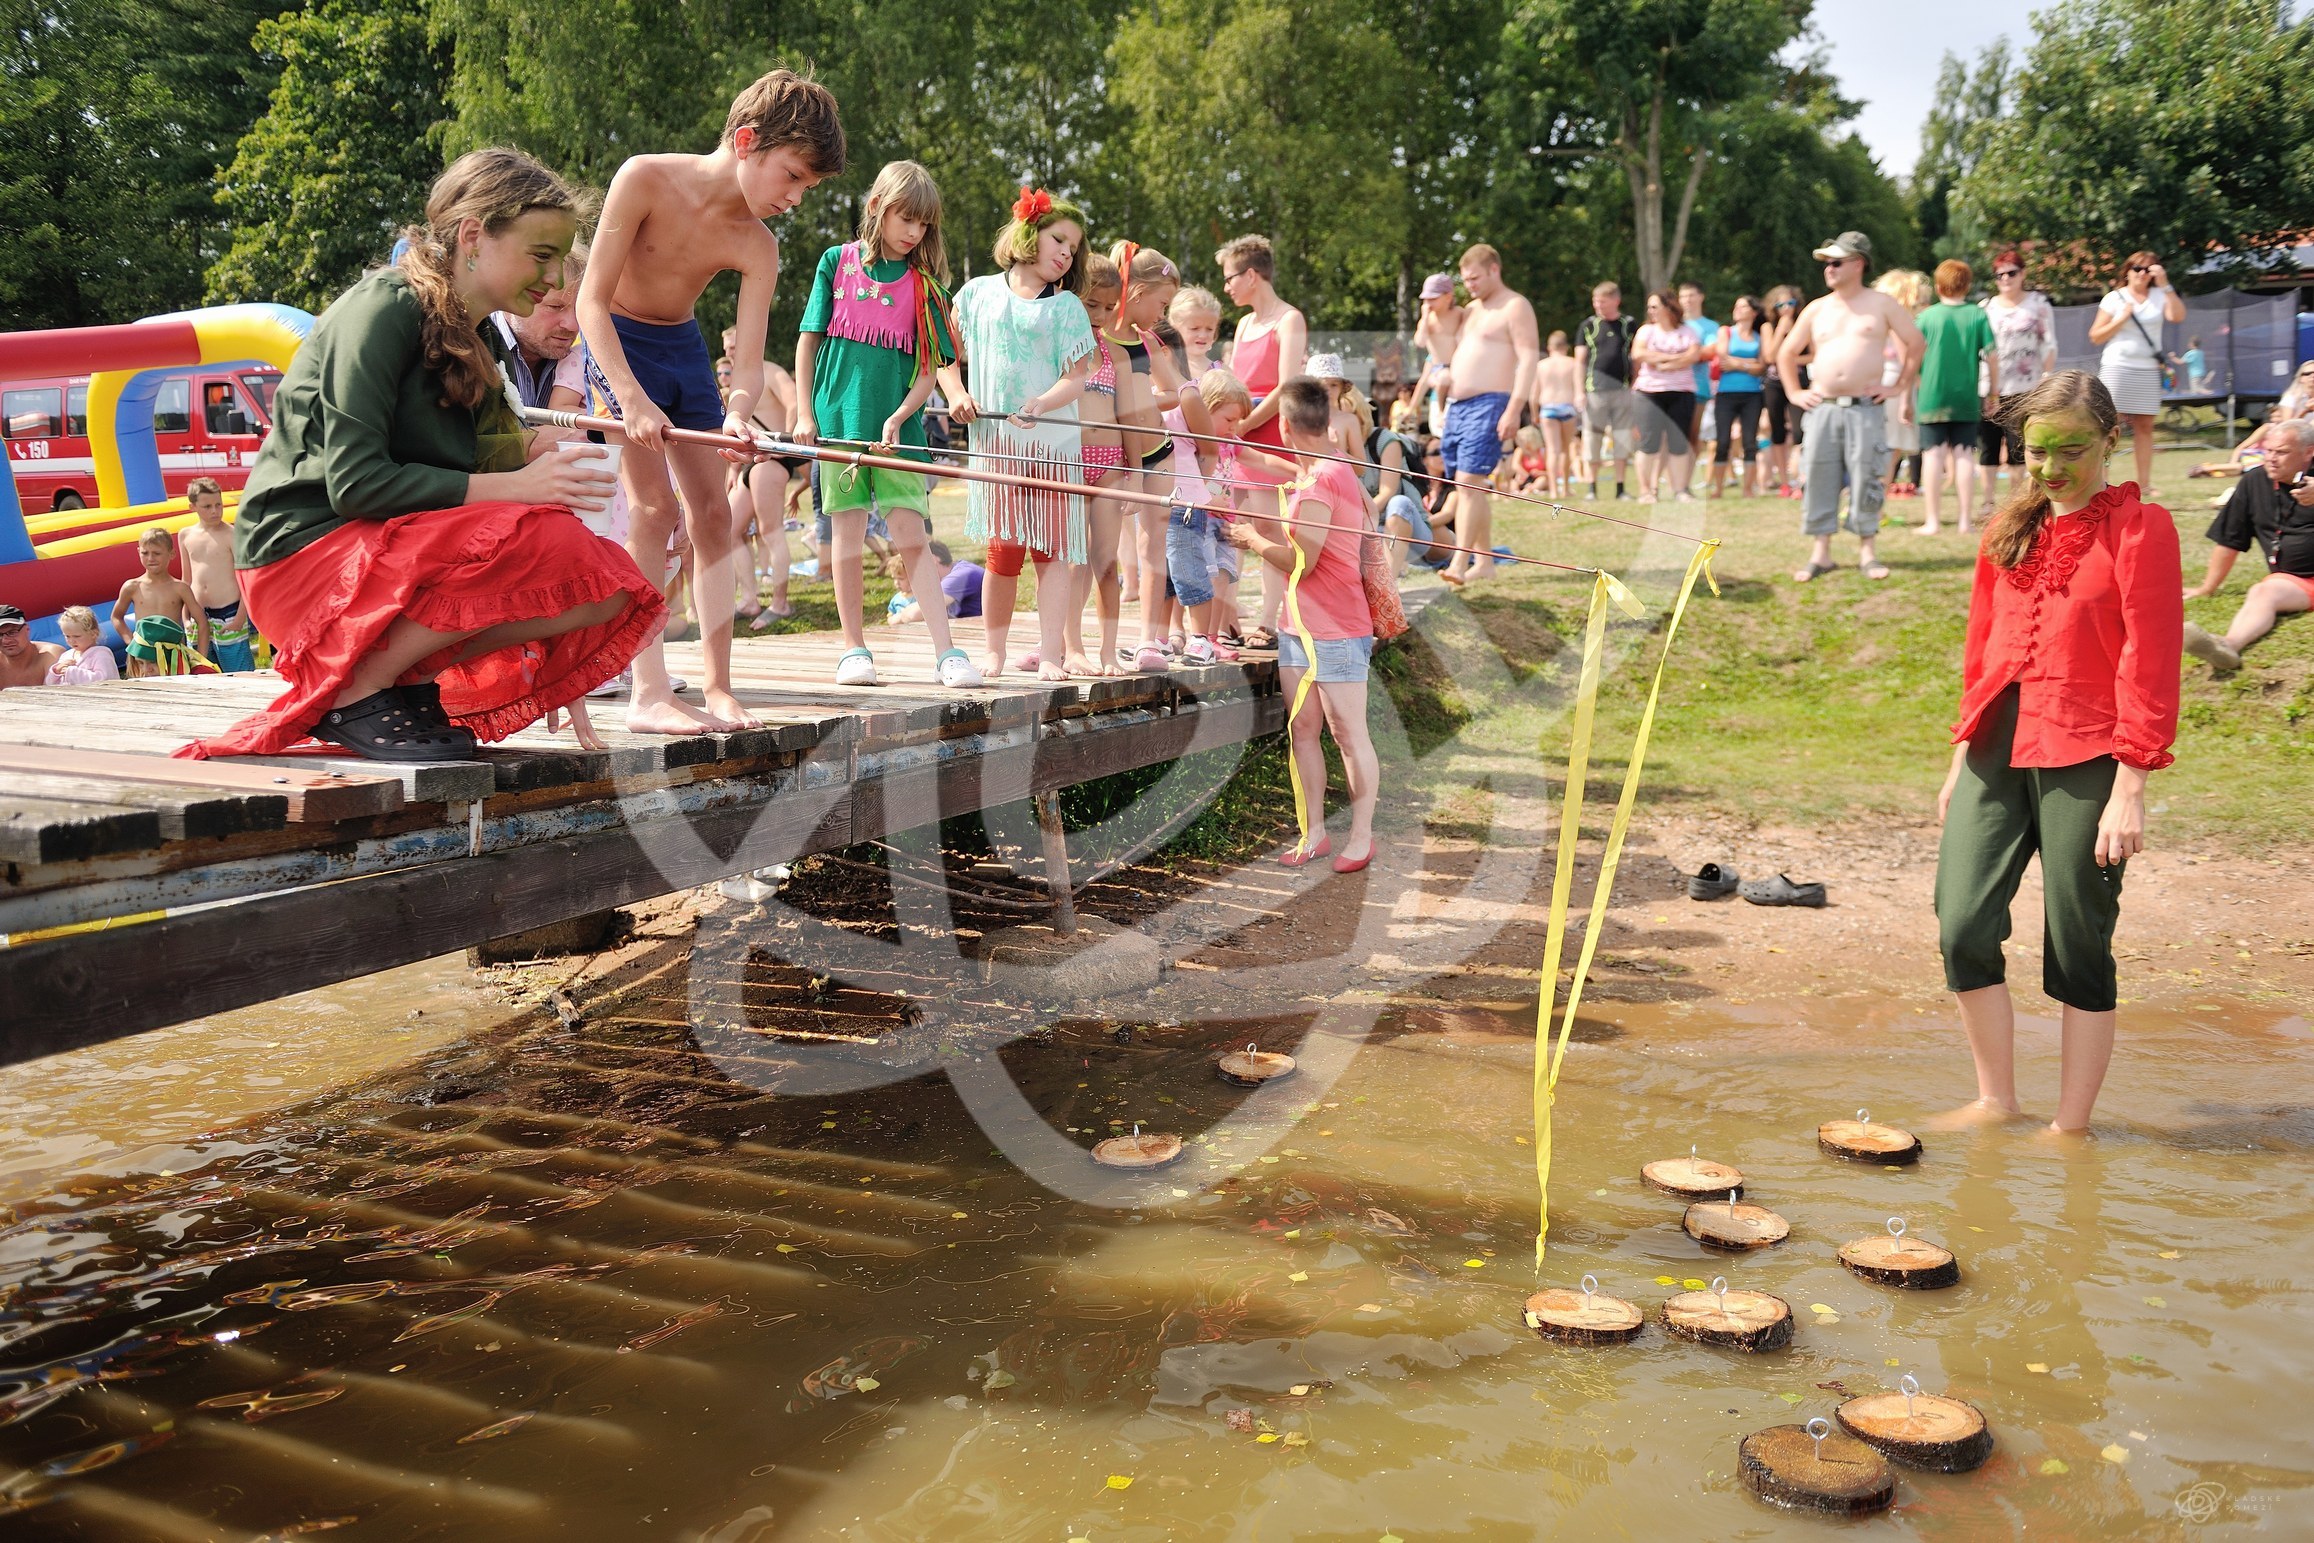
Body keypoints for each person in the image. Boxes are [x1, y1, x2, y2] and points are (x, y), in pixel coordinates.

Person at [181, 149, 662, 763]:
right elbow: (356, 485)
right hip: (301, 556)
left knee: (605, 583)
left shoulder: (479, 331)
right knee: (543, 538)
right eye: (540, 256)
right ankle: (356, 688)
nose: (553, 279)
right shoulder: (385, 307)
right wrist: (520, 487)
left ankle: (401, 677)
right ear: (472, 237)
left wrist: (554, 454)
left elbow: (483, 458)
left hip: (387, 541)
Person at [1933, 370, 2180, 1136]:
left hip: (2093, 748)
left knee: (2078, 934)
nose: (2049, 467)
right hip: (1996, 744)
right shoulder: (2009, 528)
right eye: (2035, 450)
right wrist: (1958, 758)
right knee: (1961, 921)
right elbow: (1983, 646)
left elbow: (2152, 655)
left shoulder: (2143, 529)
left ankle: (2069, 1130)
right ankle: (1995, 1099)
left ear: (2110, 439)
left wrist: (2132, 782)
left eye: (2070, 449)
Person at [579, 68, 845, 734]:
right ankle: (648, 691)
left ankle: (719, 685)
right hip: (619, 346)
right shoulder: (643, 177)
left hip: (682, 352)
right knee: (653, 508)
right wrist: (631, 398)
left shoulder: (759, 245)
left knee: (712, 518)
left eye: (808, 188)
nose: (796, 198)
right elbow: (589, 301)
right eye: (793, 176)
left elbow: (748, 366)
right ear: (748, 140)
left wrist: (736, 413)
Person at [791, 160, 979, 689]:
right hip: (837, 424)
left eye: (923, 224)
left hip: (900, 435)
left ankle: (947, 653)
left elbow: (928, 372)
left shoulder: (925, 288)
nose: (914, 232)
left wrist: (900, 416)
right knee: (846, 538)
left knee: (909, 535)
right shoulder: (836, 263)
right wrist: (805, 413)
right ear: (876, 207)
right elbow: (808, 340)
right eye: (906, 218)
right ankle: (854, 650)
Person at [1222, 377, 1378, 873]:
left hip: (1338, 629)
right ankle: (1314, 833)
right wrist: (1226, 445)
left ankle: (1361, 837)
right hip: (1296, 628)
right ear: (1327, 422)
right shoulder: (1322, 468)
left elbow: (1300, 563)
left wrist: (1251, 537)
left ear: (1285, 426)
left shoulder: (1325, 481)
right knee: (1304, 730)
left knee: (1349, 735)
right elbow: (1274, 464)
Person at [950, 187, 1095, 684]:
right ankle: (993, 651)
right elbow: (943, 356)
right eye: (1059, 239)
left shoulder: (1068, 307)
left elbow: (1077, 376)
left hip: (1053, 446)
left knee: (1051, 551)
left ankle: (1051, 653)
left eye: (1073, 248)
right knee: (1002, 550)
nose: (1065, 253)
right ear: (1029, 233)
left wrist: (1042, 403)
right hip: (997, 445)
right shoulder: (976, 295)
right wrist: (955, 393)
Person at [1777, 231, 1923, 583]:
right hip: (1823, 407)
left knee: (1867, 476)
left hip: (1864, 407)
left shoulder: (1882, 304)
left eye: (1837, 262)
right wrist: (1795, 393)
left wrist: (1898, 385)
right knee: (1818, 475)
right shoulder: (1817, 308)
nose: (1829, 268)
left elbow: (1916, 343)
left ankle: (1867, 553)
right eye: (1827, 262)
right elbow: (1785, 353)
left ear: (1858, 264)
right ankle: (1821, 553)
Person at [1219, 234, 1307, 642]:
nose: (1227, 286)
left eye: (1231, 277)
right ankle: (1228, 613)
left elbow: (1288, 382)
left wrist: (1249, 421)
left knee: (1268, 529)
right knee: (1230, 525)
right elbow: (1234, 379)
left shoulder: (1289, 319)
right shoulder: (1244, 324)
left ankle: (1269, 620)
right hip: (1238, 429)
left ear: (1251, 275)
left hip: (1267, 429)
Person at [1437, 243, 1538, 583]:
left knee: (1469, 482)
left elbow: (1527, 359)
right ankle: (1485, 563)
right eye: (1466, 281)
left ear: (1494, 269)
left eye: (1476, 278)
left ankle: (1458, 564)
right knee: (1467, 485)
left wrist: (1514, 408)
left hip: (1491, 402)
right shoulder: (1471, 310)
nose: (1471, 286)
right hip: (1457, 406)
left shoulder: (1514, 306)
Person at [2181, 417, 2314, 670]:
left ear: (2308, 452)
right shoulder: (2254, 481)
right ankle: (2228, 646)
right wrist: (2207, 587)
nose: (2272, 458)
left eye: (2282, 452)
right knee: (2264, 592)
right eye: (2268, 451)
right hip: (2295, 582)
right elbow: (2229, 539)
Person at [2088, 250, 2185, 497]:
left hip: (2148, 368)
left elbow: (2177, 316)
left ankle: (2144, 484)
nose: (2142, 274)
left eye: (2148, 270)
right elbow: (2096, 335)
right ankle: (2102, 482)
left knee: (2145, 426)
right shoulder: (2114, 298)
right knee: (2108, 425)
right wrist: (2121, 318)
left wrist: (2165, 284)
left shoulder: (2159, 295)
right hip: (2117, 366)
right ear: (2127, 271)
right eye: (2138, 269)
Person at [1914, 259, 1998, 538]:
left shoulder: (1926, 317)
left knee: (1933, 456)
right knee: (1964, 455)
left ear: (1938, 286)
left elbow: (1911, 356)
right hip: (1965, 396)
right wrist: (1993, 391)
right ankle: (1965, 521)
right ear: (1968, 285)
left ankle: (1933, 521)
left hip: (1931, 396)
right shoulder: (1977, 315)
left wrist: (1905, 394)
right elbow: (1993, 354)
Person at [1977, 251, 2058, 520]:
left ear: (2023, 273)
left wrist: (2047, 376)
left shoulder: (2038, 304)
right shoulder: (1985, 307)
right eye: (1999, 274)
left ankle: (2015, 501)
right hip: (1990, 387)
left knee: (2019, 447)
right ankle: (1988, 502)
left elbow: (2049, 343)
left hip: (2026, 386)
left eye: (2011, 272)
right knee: (1988, 446)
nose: (2005, 279)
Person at [176, 477, 255, 671]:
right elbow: (186, 578)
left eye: (218, 505)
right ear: (192, 507)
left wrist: (239, 618)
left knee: (237, 669)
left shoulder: (231, 534)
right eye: (207, 506)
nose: (214, 511)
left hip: (228, 612)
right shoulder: (185, 535)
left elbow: (246, 578)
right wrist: (185, 617)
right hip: (197, 614)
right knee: (202, 668)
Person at [1630, 289, 1699, 504]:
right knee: (1649, 443)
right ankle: (1646, 491)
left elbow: (1693, 355)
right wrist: (1674, 358)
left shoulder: (1687, 331)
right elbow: (1639, 354)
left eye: (1655, 306)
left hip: (1681, 392)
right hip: (1649, 393)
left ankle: (1680, 490)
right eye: (1649, 307)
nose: (1650, 311)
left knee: (1679, 443)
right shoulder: (1646, 331)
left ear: (1669, 307)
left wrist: (1663, 362)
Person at [114, 528, 212, 676]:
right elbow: (116, 617)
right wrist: (131, 642)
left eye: (157, 553)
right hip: (143, 657)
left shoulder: (180, 588)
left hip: (172, 656)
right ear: (138, 552)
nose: (150, 558)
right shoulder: (132, 587)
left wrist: (200, 657)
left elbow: (202, 621)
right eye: (145, 553)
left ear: (171, 554)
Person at [1574, 281, 1638, 499]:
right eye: (1595, 301)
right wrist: (1579, 391)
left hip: (1622, 390)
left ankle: (1620, 488)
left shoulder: (1628, 324)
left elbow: (1636, 357)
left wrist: (1635, 384)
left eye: (1602, 301)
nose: (1597, 305)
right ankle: (1591, 487)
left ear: (1616, 301)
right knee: (1593, 438)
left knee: (1622, 438)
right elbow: (1580, 361)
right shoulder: (1588, 325)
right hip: (1594, 391)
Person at [1873, 268, 1931, 496]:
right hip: (1895, 387)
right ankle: (1876, 505)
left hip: (1888, 384)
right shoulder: (1899, 323)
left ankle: (1875, 504)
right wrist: (1907, 400)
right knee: (1890, 450)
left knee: (1886, 449)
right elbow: (1906, 362)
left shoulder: (1883, 322)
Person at [1708, 296, 1766, 498]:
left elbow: (1763, 366)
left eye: (1743, 306)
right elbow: (1722, 357)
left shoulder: (1760, 337)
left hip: (1752, 395)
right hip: (1726, 394)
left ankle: (1748, 489)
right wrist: (1750, 363)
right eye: (1736, 306)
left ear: (1754, 312)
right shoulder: (1726, 331)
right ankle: (1718, 488)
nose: (1738, 309)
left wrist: (1738, 365)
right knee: (1722, 441)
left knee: (1750, 442)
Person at [1760, 284, 1806, 497]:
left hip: (1799, 380)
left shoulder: (1804, 325)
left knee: (1799, 431)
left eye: (1791, 303)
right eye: (1781, 304)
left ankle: (1800, 480)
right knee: (1777, 431)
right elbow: (1769, 357)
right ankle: (1785, 482)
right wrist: (1781, 330)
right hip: (1774, 383)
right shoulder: (1768, 327)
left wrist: (1789, 359)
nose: (1786, 308)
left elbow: (1813, 355)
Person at [1678, 280, 1718, 493]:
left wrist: (1677, 356)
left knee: (1692, 436)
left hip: (1698, 388)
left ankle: (1684, 483)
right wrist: (1693, 355)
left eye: (1691, 295)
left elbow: (1710, 351)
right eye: (1683, 296)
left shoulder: (1710, 326)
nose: (1687, 300)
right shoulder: (1674, 323)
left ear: (1701, 297)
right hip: (1671, 387)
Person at [1410, 273, 1462, 436]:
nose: (1428, 303)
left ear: (1448, 297)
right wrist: (1424, 317)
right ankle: (1440, 412)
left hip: (1460, 372)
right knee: (1444, 378)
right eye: (1425, 299)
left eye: (1433, 298)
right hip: (1440, 369)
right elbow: (1420, 341)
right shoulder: (1428, 320)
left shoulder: (1459, 314)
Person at [1532, 332, 1578, 499]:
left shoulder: (1541, 365)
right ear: (1566, 347)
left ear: (1550, 347)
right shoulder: (1572, 363)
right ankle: (1565, 488)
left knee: (1552, 450)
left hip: (1548, 407)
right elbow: (1578, 389)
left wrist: (1534, 413)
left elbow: (1534, 395)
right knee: (1566, 449)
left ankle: (1553, 490)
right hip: (1567, 406)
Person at [43, 605, 118, 685]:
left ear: (93, 634)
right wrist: (56, 672)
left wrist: (71, 672)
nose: (71, 640)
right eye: (67, 636)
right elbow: (50, 685)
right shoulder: (66, 656)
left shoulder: (101, 654)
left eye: (76, 636)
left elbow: (105, 679)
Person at [0, 604, 63, 689]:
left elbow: (56, 695)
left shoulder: (50, 654)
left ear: (27, 629)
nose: (5, 640)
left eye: (12, 632)